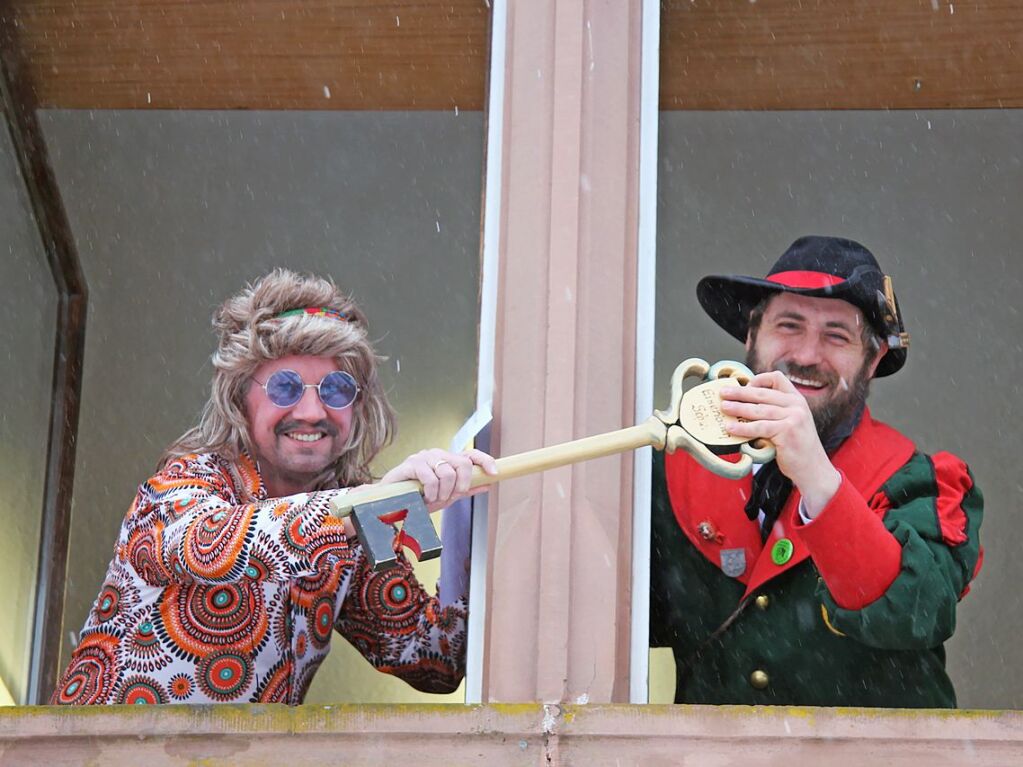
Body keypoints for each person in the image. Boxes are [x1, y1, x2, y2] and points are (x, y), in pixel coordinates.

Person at [52, 269, 496, 705]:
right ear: (239, 398)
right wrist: (364, 506)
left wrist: (463, 504)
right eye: (285, 387)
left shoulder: (360, 512)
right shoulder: (184, 482)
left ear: (358, 404)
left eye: (336, 388)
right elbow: (209, 546)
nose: (310, 410)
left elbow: (434, 661)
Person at [649, 235, 983, 707]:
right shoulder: (670, 470)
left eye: (836, 335)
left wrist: (813, 471)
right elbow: (604, 619)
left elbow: (916, 614)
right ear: (751, 336)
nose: (806, 355)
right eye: (789, 325)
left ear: (873, 360)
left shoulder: (926, 483)